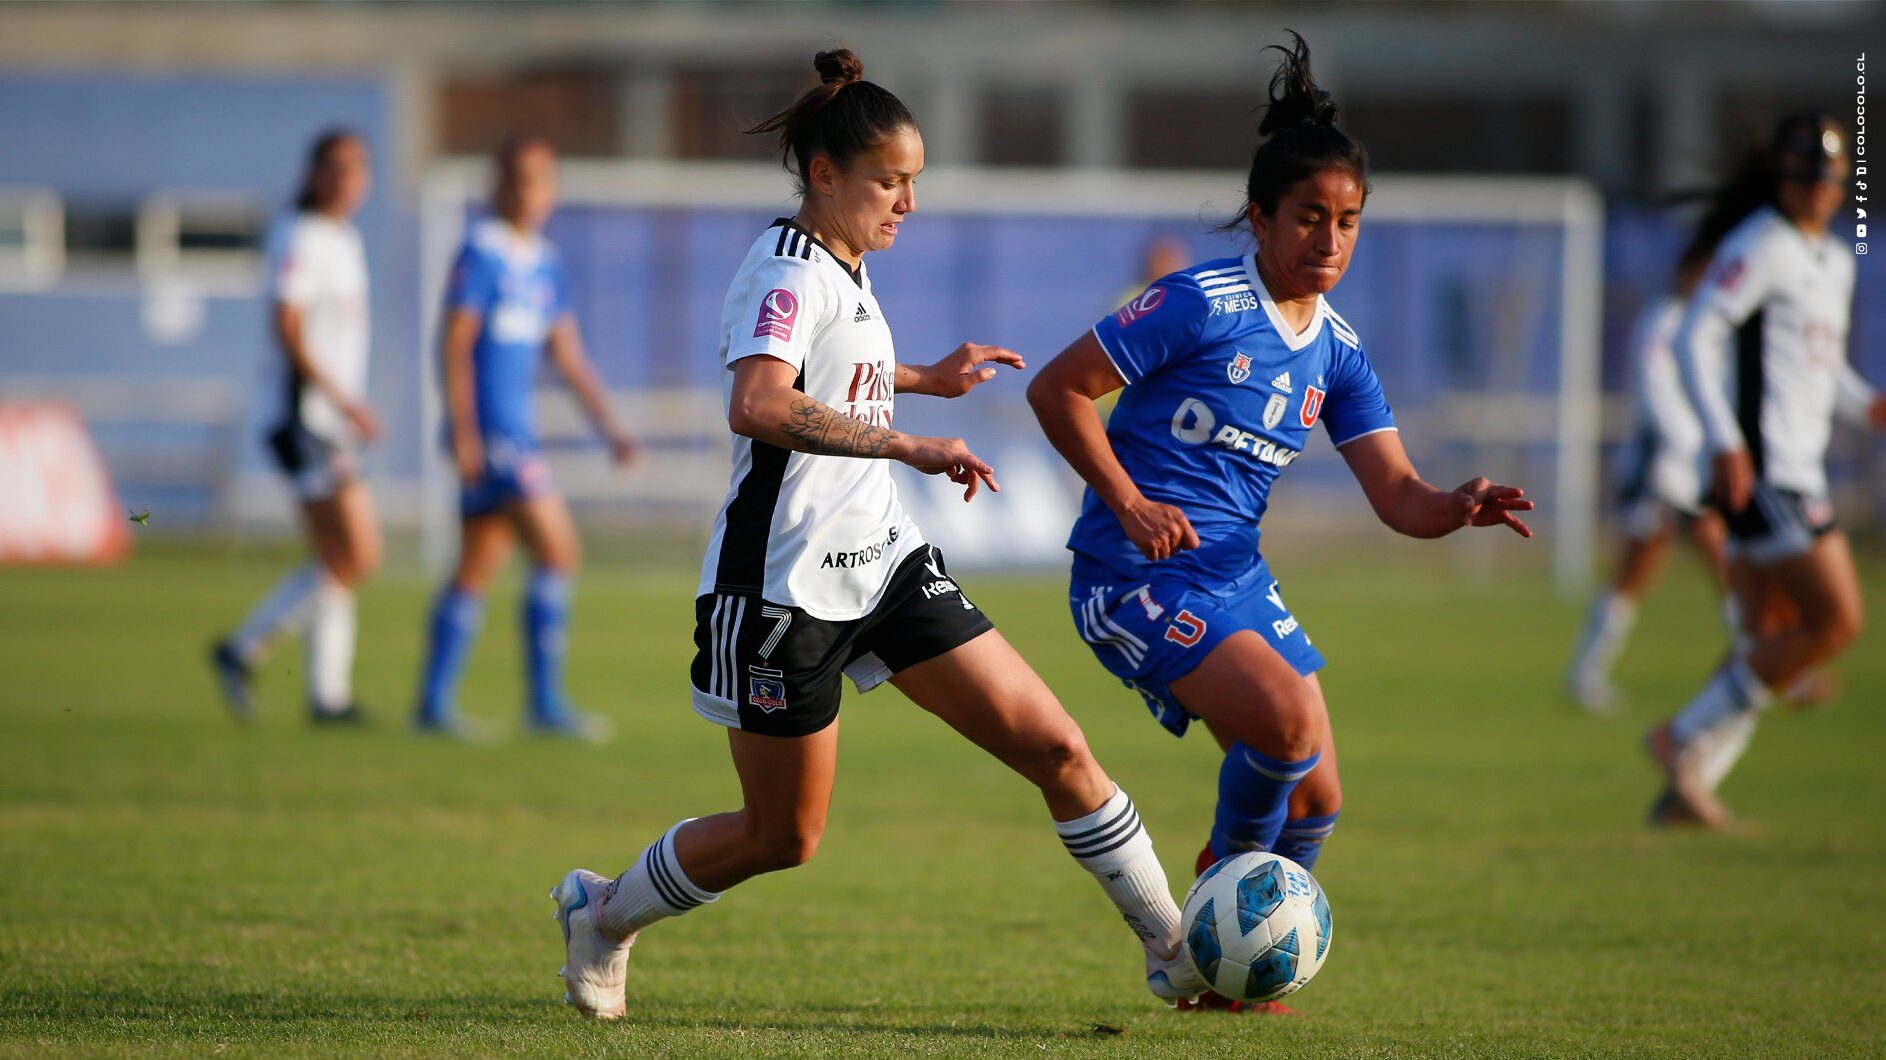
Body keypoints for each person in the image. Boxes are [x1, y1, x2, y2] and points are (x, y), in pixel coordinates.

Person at [549, 50, 1212, 1020]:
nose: (906, 202)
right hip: (782, 591)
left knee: (1056, 745)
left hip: (888, 568)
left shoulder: (845, 266)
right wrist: (907, 441)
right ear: (824, 174)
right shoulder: (783, 268)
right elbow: (760, 401)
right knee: (783, 835)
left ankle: (1171, 950)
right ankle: (603, 911)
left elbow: (836, 365)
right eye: (889, 181)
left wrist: (921, 377)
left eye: (914, 183)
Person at [1026, 33, 1532, 1012]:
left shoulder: (1337, 353)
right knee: (1290, 721)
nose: (1329, 240)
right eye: (1309, 217)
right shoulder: (1197, 302)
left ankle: (1227, 982)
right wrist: (1127, 502)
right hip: (1129, 573)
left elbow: (1396, 496)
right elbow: (1058, 391)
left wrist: (1452, 506)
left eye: (1347, 222)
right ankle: (1208, 910)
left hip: (1232, 579)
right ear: (1259, 217)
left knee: (1319, 797)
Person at [1647, 112, 1884, 828]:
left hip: (1795, 470)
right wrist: (1724, 440)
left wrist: (1869, 404)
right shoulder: (1762, 246)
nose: (1815, 187)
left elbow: (1820, 369)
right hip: (1767, 474)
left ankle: (1689, 788)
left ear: (1844, 184)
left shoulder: (1834, 262)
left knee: (1764, 640)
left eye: (1828, 174)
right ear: (1780, 177)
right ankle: (1680, 738)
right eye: (1802, 172)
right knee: (1837, 620)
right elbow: (1695, 333)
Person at [413, 138, 635, 741]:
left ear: (552, 190)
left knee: (477, 563)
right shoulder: (481, 254)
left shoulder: (544, 263)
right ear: (498, 187)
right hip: (495, 436)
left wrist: (609, 428)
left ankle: (432, 706)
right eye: (517, 179)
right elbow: (454, 344)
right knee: (558, 551)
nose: (528, 192)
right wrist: (463, 431)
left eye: (539, 180)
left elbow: (568, 357)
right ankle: (544, 704)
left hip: (514, 434)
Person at [212, 130, 379, 725]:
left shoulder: (346, 239)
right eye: (334, 167)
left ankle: (327, 697)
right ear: (313, 174)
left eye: (356, 168)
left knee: (335, 557)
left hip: (331, 420)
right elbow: (287, 326)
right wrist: (343, 400)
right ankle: (245, 646)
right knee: (356, 552)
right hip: (304, 418)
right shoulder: (299, 235)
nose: (345, 179)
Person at [1566, 241, 1735, 715]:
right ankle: (1586, 671)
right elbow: (1655, 393)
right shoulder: (1663, 320)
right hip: (1663, 469)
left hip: (1695, 470)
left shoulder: (1712, 328)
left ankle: (1762, 662)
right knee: (1637, 570)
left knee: (1724, 562)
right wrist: (1695, 445)